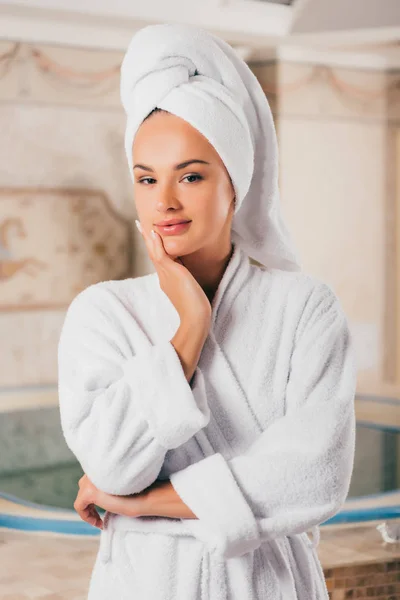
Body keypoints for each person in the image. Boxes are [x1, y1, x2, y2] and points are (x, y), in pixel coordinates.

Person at [57, 23, 357, 600]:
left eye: (190, 176)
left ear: (235, 184)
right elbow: (113, 464)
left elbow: (315, 476)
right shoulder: (102, 313)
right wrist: (189, 328)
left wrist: (140, 504)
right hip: (143, 585)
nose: (164, 201)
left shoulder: (304, 308)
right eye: (147, 179)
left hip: (269, 585)